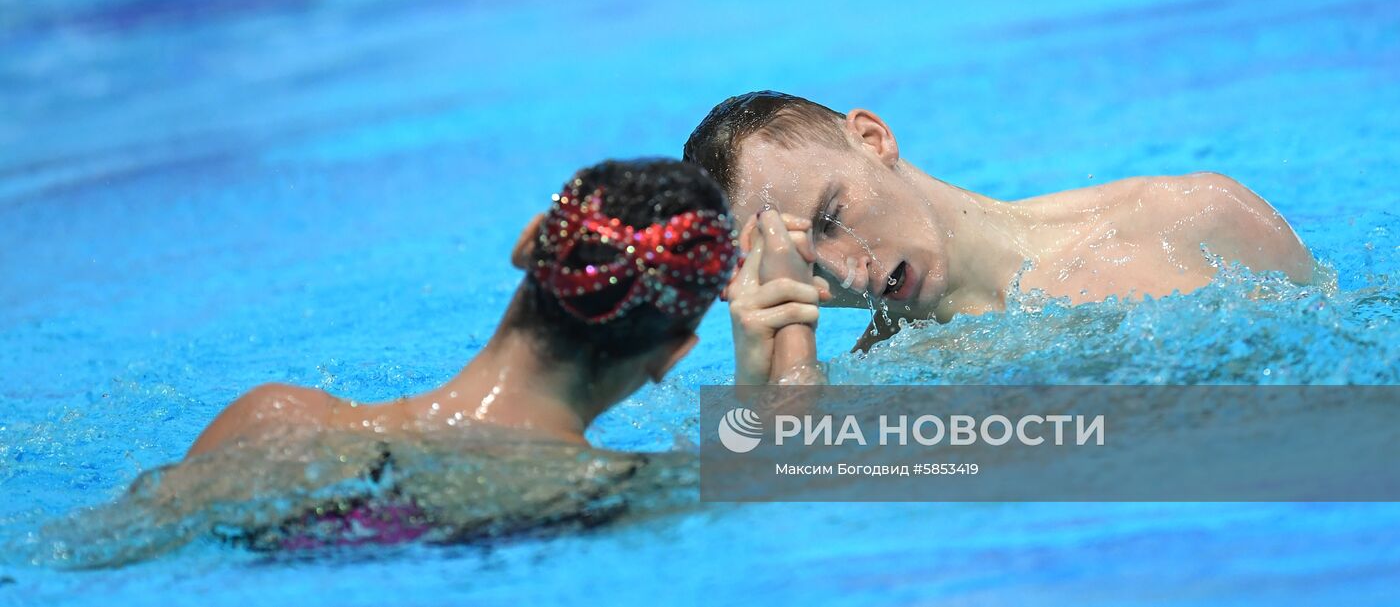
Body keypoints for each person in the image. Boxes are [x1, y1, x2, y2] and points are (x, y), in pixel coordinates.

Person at [113, 158, 737, 555]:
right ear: (672, 355)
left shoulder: (272, 421)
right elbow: (812, 466)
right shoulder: (631, 491)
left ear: (528, 245)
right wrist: (782, 353)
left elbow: (94, 554)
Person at [684, 91, 1314, 385]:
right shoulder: (879, 380)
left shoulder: (1192, 219)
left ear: (872, 138)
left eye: (829, 218)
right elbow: (793, 497)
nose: (848, 272)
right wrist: (770, 368)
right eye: (805, 264)